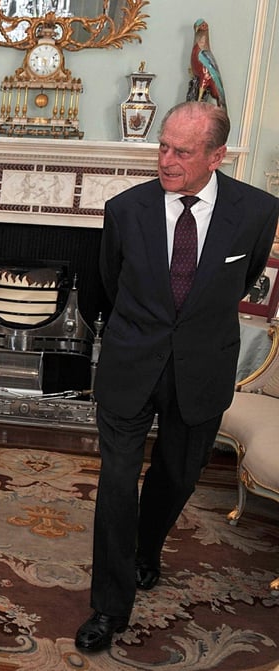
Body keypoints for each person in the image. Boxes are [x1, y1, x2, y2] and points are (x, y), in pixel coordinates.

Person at [75, 101, 279, 652]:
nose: (165, 160)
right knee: (116, 485)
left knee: (177, 477)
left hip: (202, 367)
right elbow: (110, 286)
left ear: (218, 156)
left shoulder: (259, 212)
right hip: (129, 364)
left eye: (181, 152)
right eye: (162, 146)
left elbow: (245, 276)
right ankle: (108, 607)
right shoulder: (125, 209)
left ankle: (146, 552)